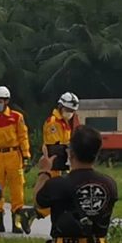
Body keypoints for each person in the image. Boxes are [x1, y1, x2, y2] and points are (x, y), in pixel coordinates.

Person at [25, 92, 80, 234]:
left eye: (72, 111)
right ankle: (35, 214)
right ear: (60, 106)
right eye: (68, 110)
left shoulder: (64, 123)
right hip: (53, 164)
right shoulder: (53, 122)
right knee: (57, 198)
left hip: (62, 164)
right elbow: (55, 147)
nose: (70, 113)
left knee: (60, 199)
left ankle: (35, 215)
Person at [0, 86, 31, 233]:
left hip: (13, 155)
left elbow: (23, 137)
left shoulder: (17, 117)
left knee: (17, 188)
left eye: (0, 101)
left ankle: (16, 220)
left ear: (7, 101)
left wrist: (26, 155)